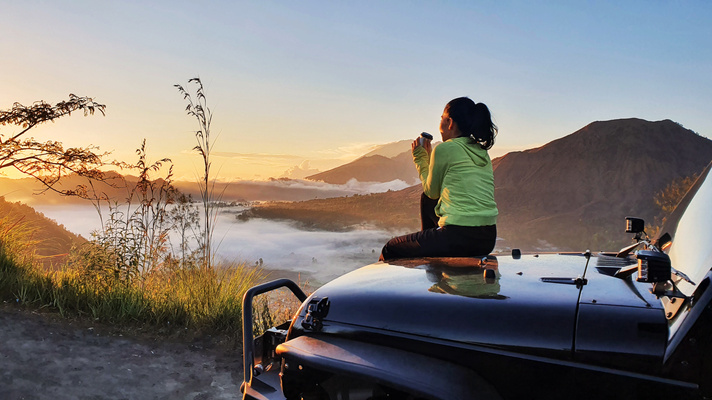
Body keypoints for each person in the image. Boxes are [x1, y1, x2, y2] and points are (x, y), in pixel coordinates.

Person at [379, 97, 498, 260]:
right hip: (487, 239)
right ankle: (428, 246)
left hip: (457, 237)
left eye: (441, 119)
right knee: (425, 200)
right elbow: (431, 197)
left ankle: (423, 262)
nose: (440, 124)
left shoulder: (445, 148)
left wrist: (421, 159)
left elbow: (431, 192)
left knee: (390, 249)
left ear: (449, 122)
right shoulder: (482, 152)